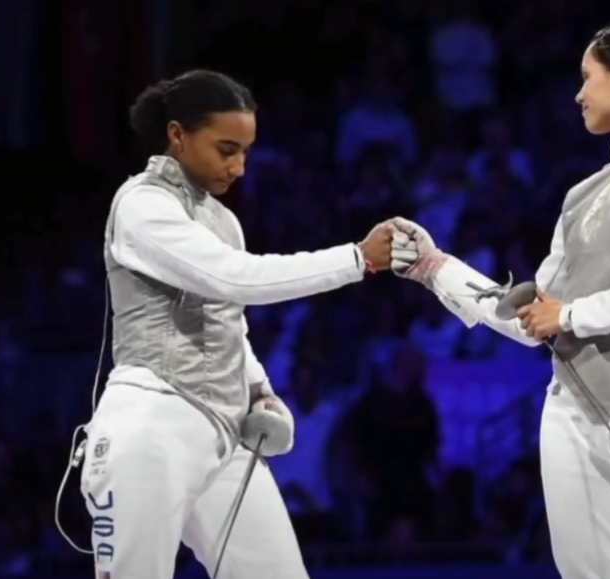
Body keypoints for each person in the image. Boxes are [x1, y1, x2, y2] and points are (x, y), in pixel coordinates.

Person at [390, 23, 610, 579]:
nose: (578, 94)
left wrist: (570, 314)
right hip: (572, 409)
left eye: (587, 77)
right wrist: (437, 270)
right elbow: (532, 320)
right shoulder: (581, 197)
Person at [77, 69, 393, 579]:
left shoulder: (222, 220)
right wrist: (357, 259)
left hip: (224, 435)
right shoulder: (142, 205)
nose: (240, 167)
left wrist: (260, 390)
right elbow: (233, 279)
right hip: (151, 425)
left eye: (245, 151)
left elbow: (228, 320)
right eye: (227, 149)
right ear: (178, 135)